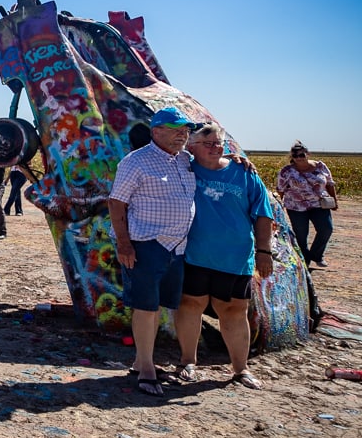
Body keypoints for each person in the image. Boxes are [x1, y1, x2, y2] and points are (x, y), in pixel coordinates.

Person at [174, 123, 272, 390]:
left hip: (236, 257)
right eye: (209, 144)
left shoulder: (244, 173)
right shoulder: (183, 169)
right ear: (191, 148)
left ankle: (241, 369)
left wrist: (264, 251)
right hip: (194, 255)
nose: (216, 148)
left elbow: (263, 214)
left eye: (220, 143)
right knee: (190, 305)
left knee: (234, 311)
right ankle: (187, 362)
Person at [107, 107, 197, 397]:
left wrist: (233, 160)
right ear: (156, 131)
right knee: (146, 307)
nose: (182, 134)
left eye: (185, 129)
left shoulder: (185, 161)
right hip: (145, 244)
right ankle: (147, 368)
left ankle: (139, 361)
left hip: (177, 246)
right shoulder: (137, 162)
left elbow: (213, 157)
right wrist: (123, 243)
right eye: (175, 129)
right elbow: (117, 203)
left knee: (158, 306)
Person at [277, 141, 339, 269]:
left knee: (326, 229)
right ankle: (305, 259)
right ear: (292, 157)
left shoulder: (320, 166)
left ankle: (316, 255)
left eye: (301, 155)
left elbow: (329, 184)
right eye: (295, 156)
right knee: (301, 234)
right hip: (296, 206)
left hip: (319, 204)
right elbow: (280, 189)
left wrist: (334, 200)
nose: (299, 158)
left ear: (308, 154)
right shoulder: (287, 171)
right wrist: (279, 205)